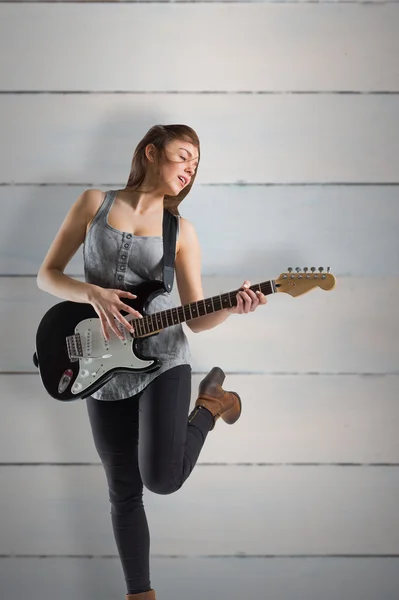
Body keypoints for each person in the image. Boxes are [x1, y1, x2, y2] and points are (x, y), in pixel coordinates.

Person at [36, 124, 267, 599]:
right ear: (150, 152)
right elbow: (48, 276)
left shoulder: (180, 231)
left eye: (196, 164)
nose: (190, 169)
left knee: (161, 479)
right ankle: (140, 595)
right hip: (99, 363)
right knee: (123, 489)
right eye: (183, 157)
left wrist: (231, 305)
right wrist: (92, 292)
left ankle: (208, 406)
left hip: (163, 359)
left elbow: (196, 317)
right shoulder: (93, 203)